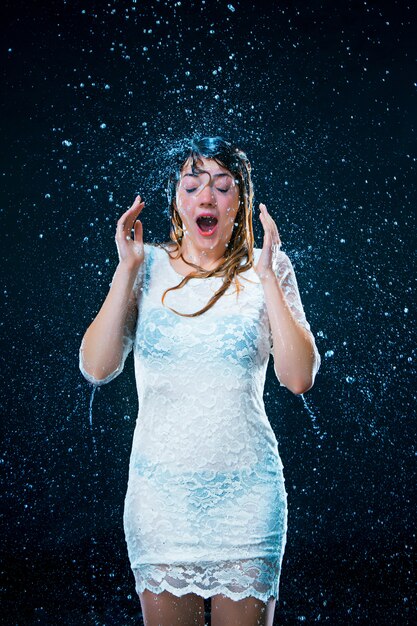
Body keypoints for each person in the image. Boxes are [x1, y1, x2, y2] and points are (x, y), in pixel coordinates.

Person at [79, 136, 321, 626]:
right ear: (178, 201)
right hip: (161, 500)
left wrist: (269, 274)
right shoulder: (143, 265)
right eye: (192, 186)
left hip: (247, 500)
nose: (206, 197)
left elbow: (297, 377)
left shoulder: (268, 268)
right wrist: (126, 270)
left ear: (241, 202)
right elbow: (97, 367)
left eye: (222, 186)